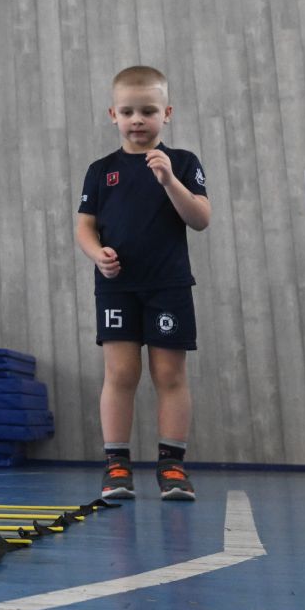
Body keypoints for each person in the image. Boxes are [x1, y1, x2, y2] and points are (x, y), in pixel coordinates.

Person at [76, 65, 211, 501]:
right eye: (128, 111)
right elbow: (84, 226)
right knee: (120, 373)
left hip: (168, 285)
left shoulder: (184, 163)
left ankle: (172, 466)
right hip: (117, 287)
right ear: (112, 114)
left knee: (169, 374)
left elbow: (200, 219)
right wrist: (98, 254)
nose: (138, 119)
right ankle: (116, 466)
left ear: (166, 113)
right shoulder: (100, 171)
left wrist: (169, 179)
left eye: (148, 111)